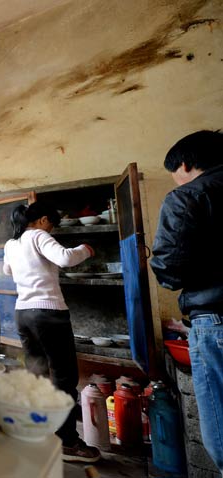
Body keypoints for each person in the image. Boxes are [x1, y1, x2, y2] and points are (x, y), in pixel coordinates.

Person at [2, 202, 100, 463]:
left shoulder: (11, 244)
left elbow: (7, 271)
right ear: (44, 220)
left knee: (37, 375)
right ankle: (68, 441)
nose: (51, 230)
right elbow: (65, 258)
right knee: (63, 378)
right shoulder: (39, 235)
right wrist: (86, 249)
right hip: (48, 312)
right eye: (52, 225)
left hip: (23, 313)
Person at [150, 130, 223, 473]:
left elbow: (169, 270)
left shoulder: (187, 197)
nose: (176, 181)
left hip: (216, 320)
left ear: (184, 163)